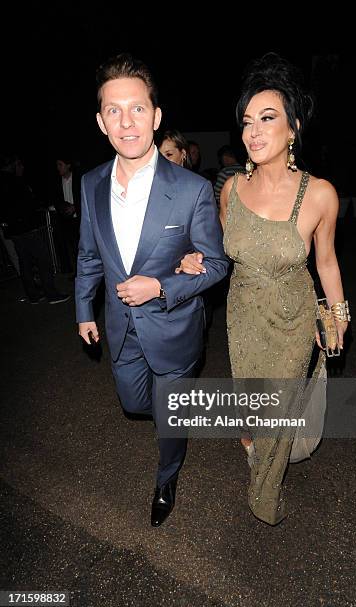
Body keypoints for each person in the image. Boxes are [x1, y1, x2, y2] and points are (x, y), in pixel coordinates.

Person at [176, 52, 350, 525]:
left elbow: (327, 263)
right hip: (242, 315)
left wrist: (336, 318)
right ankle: (256, 451)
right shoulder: (231, 189)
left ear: (292, 128)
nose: (253, 131)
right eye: (248, 122)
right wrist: (193, 257)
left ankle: (264, 494)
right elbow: (218, 249)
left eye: (267, 119)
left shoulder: (318, 194)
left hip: (292, 318)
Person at [75, 53, 229, 527]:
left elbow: (218, 264)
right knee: (134, 403)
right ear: (101, 121)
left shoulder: (190, 189)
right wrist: (83, 309)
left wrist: (163, 285)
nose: (127, 122)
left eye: (138, 109)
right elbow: (88, 256)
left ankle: (167, 478)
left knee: (170, 420)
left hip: (174, 330)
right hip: (120, 328)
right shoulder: (91, 184)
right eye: (114, 110)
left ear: (156, 117)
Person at [0, 152, 70, 305]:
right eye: (19, 164)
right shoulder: (16, 182)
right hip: (26, 228)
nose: (22, 167)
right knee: (43, 259)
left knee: (24, 262)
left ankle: (33, 295)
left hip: (14, 231)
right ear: (13, 166)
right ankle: (51, 294)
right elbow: (28, 205)